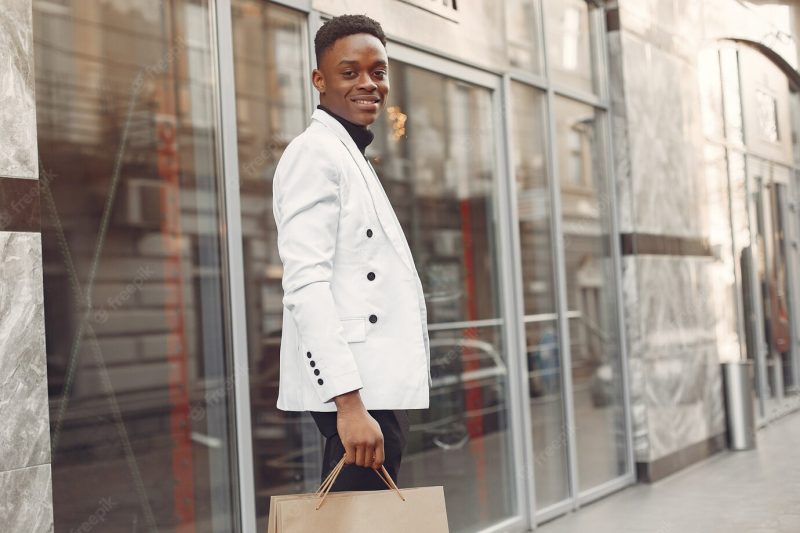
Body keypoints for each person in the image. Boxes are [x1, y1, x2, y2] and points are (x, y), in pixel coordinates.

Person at [271, 14, 431, 492]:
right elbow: (305, 285)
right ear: (319, 81)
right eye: (350, 72)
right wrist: (349, 404)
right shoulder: (314, 153)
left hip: (372, 385)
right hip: (356, 390)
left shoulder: (348, 154)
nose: (369, 84)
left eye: (378, 72)